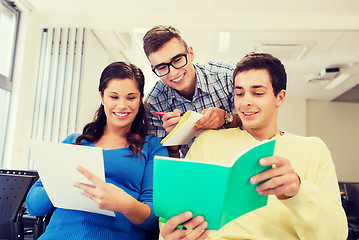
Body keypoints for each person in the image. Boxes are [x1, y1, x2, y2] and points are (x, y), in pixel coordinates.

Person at [160, 53, 348, 240]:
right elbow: (177, 214)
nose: (245, 102)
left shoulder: (314, 150)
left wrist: (298, 191)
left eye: (258, 93)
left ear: (280, 98)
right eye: (239, 93)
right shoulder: (208, 141)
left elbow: (336, 235)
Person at [26, 62, 168, 240]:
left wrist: (124, 204)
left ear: (141, 99)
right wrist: (62, 171)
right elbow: (34, 206)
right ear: (102, 97)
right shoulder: (74, 141)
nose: (122, 105)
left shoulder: (153, 147)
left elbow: (153, 220)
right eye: (114, 97)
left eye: (131, 98)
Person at [143, 25, 241, 156]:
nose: (173, 73)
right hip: (193, 171)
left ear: (190, 53)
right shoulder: (154, 102)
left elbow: (255, 129)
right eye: (161, 67)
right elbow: (167, 168)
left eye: (177, 60)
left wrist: (227, 118)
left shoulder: (227, 76)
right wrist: (173, 143)